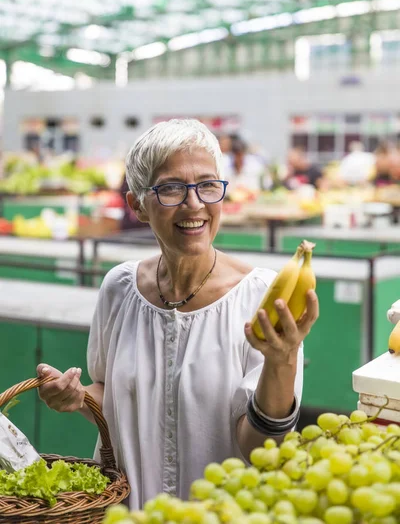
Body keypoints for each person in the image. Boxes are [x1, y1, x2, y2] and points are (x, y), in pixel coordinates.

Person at [36, 119, 319, 509]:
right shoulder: (119, 289)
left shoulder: (262, 298)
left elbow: (261, 446)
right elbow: (112, 393)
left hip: (218, 514)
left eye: (207, 185)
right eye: (171, 188)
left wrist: (282, 359)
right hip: (126, 513)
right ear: (136, 205)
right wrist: (78, 396)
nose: (194, 204)